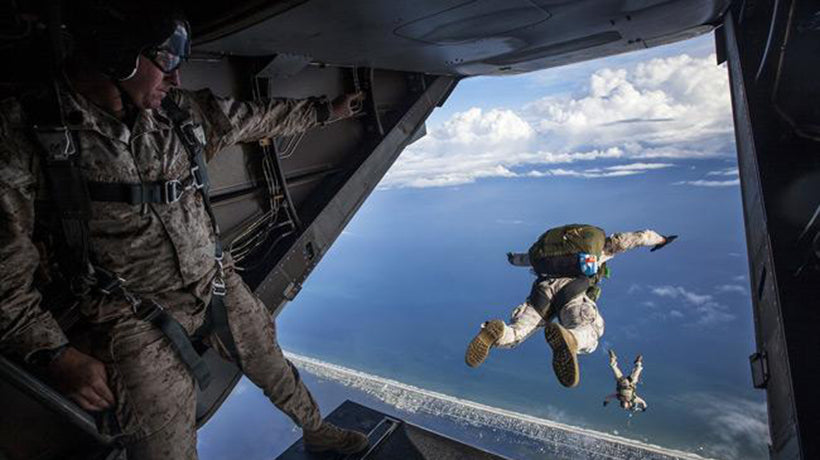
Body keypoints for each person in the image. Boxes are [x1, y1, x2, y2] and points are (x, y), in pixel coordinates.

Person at [0, 3, 368, 458]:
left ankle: (316, 429)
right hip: (129, 315)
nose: (176, 79)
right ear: (120, 57)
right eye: (167, 62)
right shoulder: (26, 133)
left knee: (271, 362)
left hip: (212, 280)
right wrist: (56, 354)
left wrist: (326, 112)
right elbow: (5, 274)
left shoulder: (178, 114)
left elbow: (256, 118)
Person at [465, 225, 676, 388]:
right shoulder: (602, 246)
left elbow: (522, 260)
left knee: (518, 333)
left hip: (542, 289)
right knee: (591, 332)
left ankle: (499, 332)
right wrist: (661, 239)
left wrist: (511, 258)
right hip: (573, 291)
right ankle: (572, 339)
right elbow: (640, 237)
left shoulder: (547, 253)